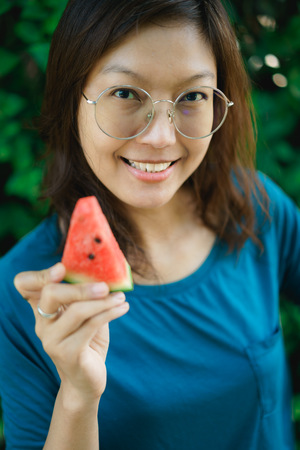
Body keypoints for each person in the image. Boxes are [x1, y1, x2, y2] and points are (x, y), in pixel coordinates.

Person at [0, 0, 299, 448]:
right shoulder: (23, 293)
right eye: (125, 93)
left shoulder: (257, 207)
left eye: (193, 96)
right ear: (72, 98)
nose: (161, 137)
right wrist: (78, 396)